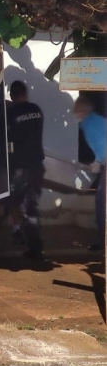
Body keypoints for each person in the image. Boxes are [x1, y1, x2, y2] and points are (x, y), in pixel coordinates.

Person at [6, 80, 46, 260]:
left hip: (20, 167)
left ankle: (34, 248)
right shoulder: (37, 110)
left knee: (23, 206)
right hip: (37, 165)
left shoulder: (11, 112)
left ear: (12, 95)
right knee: (29, 205)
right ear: (26, 92)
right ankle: (23, 235)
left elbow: (8, 133)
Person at [73, 93, 106, 251]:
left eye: (78, 111)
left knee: (101, 206)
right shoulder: (93, 121)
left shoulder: (91, 124)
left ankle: (103, 243)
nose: (76, 114)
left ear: (83, 110)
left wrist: (98, 162)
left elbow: (103, 146)